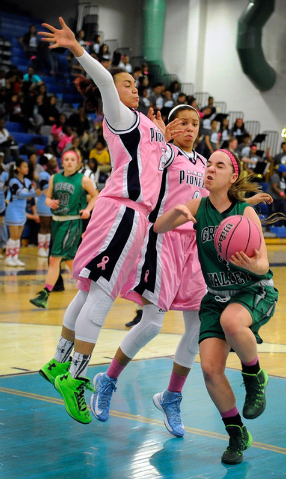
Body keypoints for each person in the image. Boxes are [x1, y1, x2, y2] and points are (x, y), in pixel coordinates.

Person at [90, 106, 273, 436]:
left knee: (198, 327)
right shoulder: (166, 154)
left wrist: (247, 201)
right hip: (164, 241)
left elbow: (218, 198)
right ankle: (108, 378)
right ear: (173, 126)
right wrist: (158, 138)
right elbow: (142, 167)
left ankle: (172, 397)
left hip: (198, 249)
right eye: (183, 123)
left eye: (195, 124)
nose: (189, 128)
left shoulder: (205, 164)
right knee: (152, 324)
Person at [36, 17, 178, 424]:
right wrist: (78, 49)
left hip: (132, 217)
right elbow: (102, 80)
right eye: (127, 83)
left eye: (135, 84)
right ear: (115, 92)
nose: (134, 87)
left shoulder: (148, 128)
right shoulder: (121, 118)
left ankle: (57, 364)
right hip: (122, 212)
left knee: (87, 290)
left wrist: (164, 138)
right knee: (101, 294)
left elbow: (160, 166)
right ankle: (77, 380)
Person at [153, 149, 278, 465]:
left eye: (218, 165)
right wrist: (176, 210)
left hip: (251, 289)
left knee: (232, 322)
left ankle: (254, 377)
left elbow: (263, 265)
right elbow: (158, 228)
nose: (210, 168)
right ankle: (237, 435)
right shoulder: (198, 206)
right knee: (210, 369)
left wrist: (252, 263)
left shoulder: (244, 213)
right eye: (208, 163)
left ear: (232, 176)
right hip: (216, 295)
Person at [30, 150, 98, 307]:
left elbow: (96, 195)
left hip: (71, 222)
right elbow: (47, 198)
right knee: (69, 259)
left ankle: (44, 294)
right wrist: (49, 203)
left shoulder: (84, 180)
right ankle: (91, 286)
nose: (69, 162)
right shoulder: (55, 178)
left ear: (77, 163)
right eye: (66, 159)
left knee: (54, 258)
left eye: (72, 160)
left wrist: (87, 210)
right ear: (62, 162)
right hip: (57, 221)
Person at [4, 158, 40, 266]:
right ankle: (8, 257)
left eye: (27, 166)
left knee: (18, 236)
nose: (27, 168)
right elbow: (21, 194)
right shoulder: (13, 181)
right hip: (13, 210)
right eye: (24, 166)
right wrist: (32, 193)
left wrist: (31, 194)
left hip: (21, 211)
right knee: (13, 236)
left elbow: (29, 196)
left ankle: (15, 257)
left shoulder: (28, 181)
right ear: (18, 169)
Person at [36, 153, 58, 257]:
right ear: (47, 163)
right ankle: (41, 248)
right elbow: (45, 187)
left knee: (50, 227)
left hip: (52, 203)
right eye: (53, 161)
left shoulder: (55, 174)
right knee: (44, 226)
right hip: (43, 203)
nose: (55, 162)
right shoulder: (43, 174)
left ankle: (47, 247)